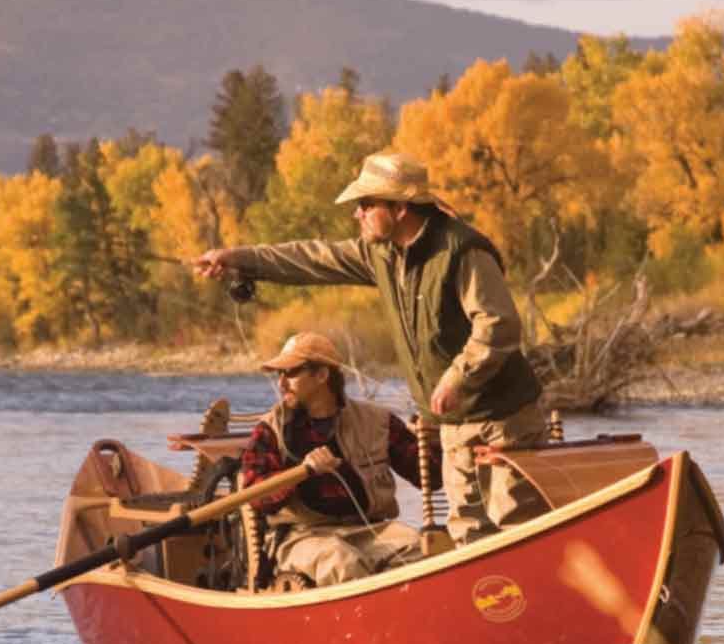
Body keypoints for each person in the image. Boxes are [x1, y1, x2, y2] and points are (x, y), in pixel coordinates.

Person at [192, 150, 548, 544]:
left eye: (365, 205)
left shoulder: (462, 251)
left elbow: (498, 324)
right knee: (468, 535)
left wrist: (457, 379)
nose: (356, 214)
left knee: (518, 531)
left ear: (399, 208)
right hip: (452, 426)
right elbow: (311, 258)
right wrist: (238, 259)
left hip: (503, 421)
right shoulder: (381, 253)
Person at [239, 329, 425, 590]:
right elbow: (255, 497)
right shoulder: (270, 428)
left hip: (370, 530)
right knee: (341, 561)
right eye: (279, 374)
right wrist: (304, 471)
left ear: (322, 375)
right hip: (300, 537)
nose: (281, 383)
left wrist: (434, 437)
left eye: (290, 373)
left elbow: (429, 476)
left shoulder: (378, 422)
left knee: (420, 550)